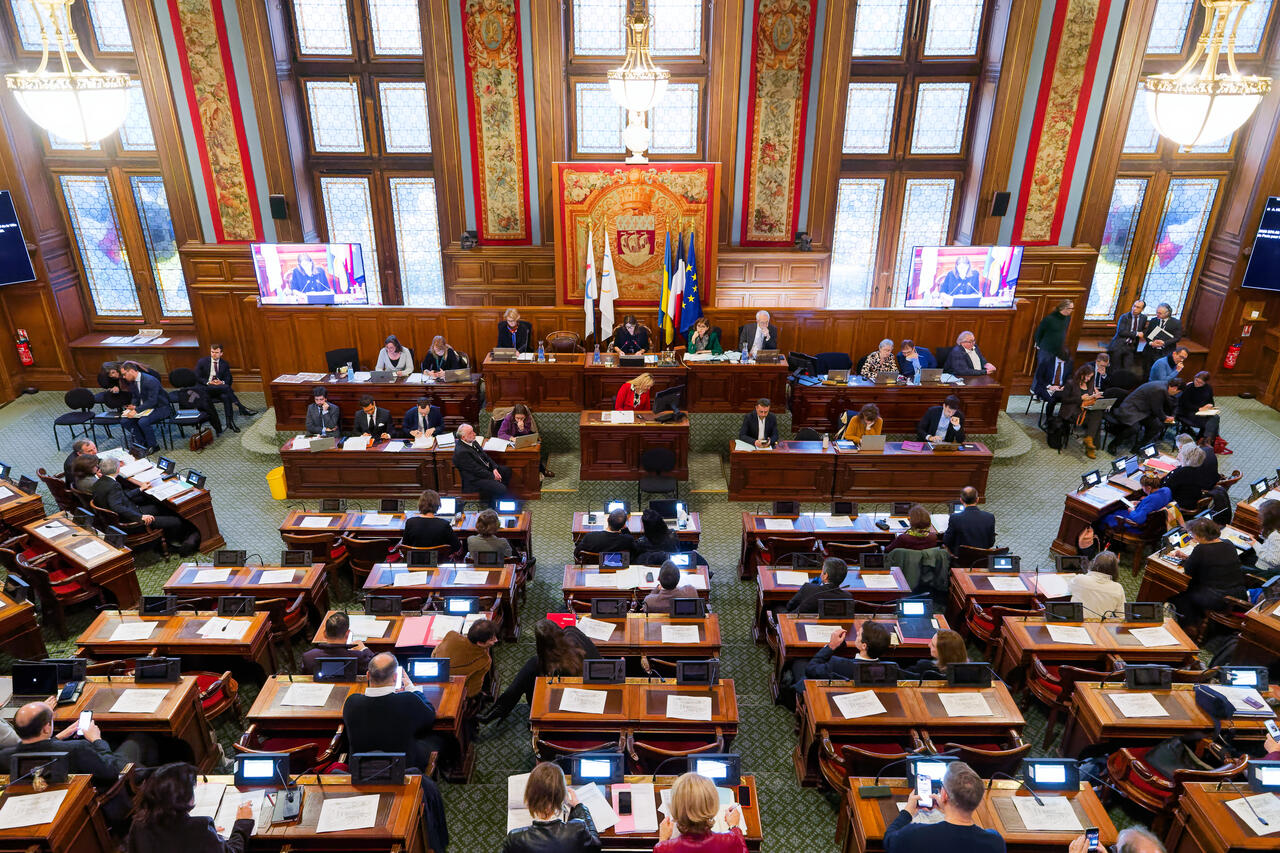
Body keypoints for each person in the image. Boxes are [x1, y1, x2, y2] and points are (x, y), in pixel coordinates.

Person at [0, 700, 153, 789]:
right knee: (139, 738)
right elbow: (111, 772)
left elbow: (38, 750)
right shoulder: (77, 748)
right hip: (101, 795)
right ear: (46, 728)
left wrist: (58, 737)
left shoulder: (4, 757)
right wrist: (97, 740)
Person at [480, 619, 599, 723]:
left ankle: (500, 708)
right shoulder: (572, 632)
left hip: (573, 702)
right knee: (532, 668)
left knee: (530, 671)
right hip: (598, 688)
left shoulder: (553, 667)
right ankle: (501, 708)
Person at [125, 761, 255, 853]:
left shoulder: (138, 825)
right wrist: (242, 822)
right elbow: (234, 851)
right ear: (184, 798)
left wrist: (212, 837)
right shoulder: (201, 829)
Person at [341, 652, 441, 771]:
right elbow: (430, 715)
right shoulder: (408, 700)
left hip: (361, 771)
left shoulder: (351, 702)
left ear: (368, 675)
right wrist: (411, 688)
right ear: (395, 677)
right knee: (437, 739)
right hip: (403, 770)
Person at [883, 761, 1005, 853]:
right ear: (978, 799)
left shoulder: (915, 834)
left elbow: (889, 840)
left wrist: (907, 812)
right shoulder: (995, 842)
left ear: (944, 795)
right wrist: (947, 809)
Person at [90, 456, 198, 554]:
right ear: (117, 469)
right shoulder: (113, 485)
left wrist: (140, 489)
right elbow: (117, 507)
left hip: (123, 515)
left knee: (159, 507)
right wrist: (140, 517)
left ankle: (174, 532)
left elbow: (121, 497)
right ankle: (172, 544)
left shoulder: (99, 482)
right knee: (176, 521)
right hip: (131, 521)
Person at [501, 761, 600, 853]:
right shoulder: (578, 828)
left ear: (529, 796)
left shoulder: (514, 838)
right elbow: (596, 845)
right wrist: (579, 806)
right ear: (562, 797)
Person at [1168, 517, 1247, 626]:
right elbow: (1214, 561)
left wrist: (1187, 560)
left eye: (1192, 535)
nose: (1192, 538)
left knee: (1179, 596)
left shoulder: (1201, 549)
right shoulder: (1228, 543)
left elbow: (1189, 572)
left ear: (1200, 536)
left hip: (1217, 598)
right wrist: (1188, 557)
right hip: (1238, 594)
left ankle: (1189, 627)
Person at [655, 771, 746, 853]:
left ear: (675, 808)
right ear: (713, 806)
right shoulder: (731, 840)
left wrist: (663, 839)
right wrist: (734, 826)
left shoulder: (663, 848)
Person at [1106, 378, 1182, 454]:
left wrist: (1170, 416)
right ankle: (1113, 445)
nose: (1176, 394)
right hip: (1131, 409)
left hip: (1143, 411)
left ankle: (1138, 448)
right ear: (1175, 388)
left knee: (1157, 426)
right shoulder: (1160, 389)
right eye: (1178, 392)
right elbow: (1156, 408)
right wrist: (1165, 418)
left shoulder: (1165, 386)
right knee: (1134, 428)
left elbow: (1173, 404)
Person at [195, 344, 256, 434]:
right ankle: (241, 407)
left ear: (221, 353)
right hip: (206, 388)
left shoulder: (224, 364)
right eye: (212, 352)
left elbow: (228, 378)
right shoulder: (202, 362)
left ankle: (230, 422)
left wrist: (221, 382)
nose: (214, 354)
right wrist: (209, 382)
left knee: (226, 396)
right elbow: (197, 377)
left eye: (216, 352)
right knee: (227, 389)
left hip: (219, 388)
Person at [803, 621, 892, 680]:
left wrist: (831, 646)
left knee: (799, 663)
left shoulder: (837, 665)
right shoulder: (891, 670)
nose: (856, 633)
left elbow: (811, 669)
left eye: (859, 634)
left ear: (864, 646)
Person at [433, 618, 498, 698]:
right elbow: (473, 687)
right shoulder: (484, 660)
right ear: (480, 643)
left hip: (434, 679)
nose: (496, 640)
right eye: (492, 639)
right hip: (456, 690)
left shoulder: (451, 635)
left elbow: (434, 654)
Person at [453, 423, 511, 507]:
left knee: (506, 470)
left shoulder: (472, 440)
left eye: (473, 431)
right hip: (475, 479)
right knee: (502, 488)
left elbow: (485, 456)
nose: (474, 434)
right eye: (471, 433)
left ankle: (496, 498)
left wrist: (494, 468)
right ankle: (493, 505)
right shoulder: (462, 452)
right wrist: (493, 476)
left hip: (485, 469)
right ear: (463, 437)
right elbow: (476, 470)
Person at [119, 361, 171, 453]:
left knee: (143, 421)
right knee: (125, 421)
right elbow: (135, 397)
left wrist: (137, 410)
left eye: (124, 374)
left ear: (131, 371)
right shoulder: (132, 382)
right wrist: (133, 405)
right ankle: (142, 442)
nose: (123, 377)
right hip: (145, 408)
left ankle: (153, 445)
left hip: (160, 407)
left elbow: (152, 401)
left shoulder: (150, 381)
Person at [301, 611, 374, 675]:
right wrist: (364, 649)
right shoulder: (359, 657)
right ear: (347, 634)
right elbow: (377, 666)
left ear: (324, 634)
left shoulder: (308, 657)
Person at [1097, 474, 1171, 533]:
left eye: (1142, 487)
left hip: (1141, 526)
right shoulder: (1166, 490)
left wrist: (1132, 511)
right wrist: (1140, 503)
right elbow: (1154, 503)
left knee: (1106, 517)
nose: (1142, 488)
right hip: (1156, 522)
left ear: (1148, 488)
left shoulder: (1150, 500)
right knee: (1117, 511)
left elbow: (1139, 519)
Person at [496, 403, 553, 478]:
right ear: (514, 415)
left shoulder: (528, 418)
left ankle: (542, 470)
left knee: (534, 450)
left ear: (525, 416)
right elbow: (500, 433)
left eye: (522, 418)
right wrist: (511, 438)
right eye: (517, 418)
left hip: (521, 435)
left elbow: (527, 432)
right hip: (509, 438)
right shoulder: (508, 418)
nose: (519, 420)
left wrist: (521, 429)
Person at [1057, 364, 1102, 457]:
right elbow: (1064, 400)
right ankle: (1089, 446)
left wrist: (1093, 397)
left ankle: (1089, 440)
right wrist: (1080, 398)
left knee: (1098, 413)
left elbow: (1088, 398)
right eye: (1087, 376)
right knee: (1096, 421)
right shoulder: (1071, 383)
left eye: (1090, 377)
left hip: (1085, 409)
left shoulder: (1090, 385)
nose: (1088, 379)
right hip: (1072, 410)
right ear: (1081, 374)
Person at [1068, 551, 1126, 618]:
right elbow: (1122, 615)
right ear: (1115, 569)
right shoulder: (1118, 588)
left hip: (1075, 622)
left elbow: (1068, 590)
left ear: (1093, 564)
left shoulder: (1079, 579)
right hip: (1100, 624)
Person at [785, 557, 853, 613]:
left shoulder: (808, 588)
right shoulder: (848, 596)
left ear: (825, 575)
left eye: (822, 570)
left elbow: (789, 606)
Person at [1162, 446, 1216, 512]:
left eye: (1181, 452)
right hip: (1192, 500)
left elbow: (1165, 489)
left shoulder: (1180, 473)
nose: (1179, 453)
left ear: (1185, 458)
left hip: (1179, 506)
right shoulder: (1199, 470)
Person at [943, 486, 995, 551]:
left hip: (960, 556)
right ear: (977, 499)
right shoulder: (989, 517)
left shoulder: (955, 518)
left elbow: (947, 541)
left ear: (961, 500)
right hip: (982, 556)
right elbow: (991, 543)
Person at [1176, 370, 1220, 443]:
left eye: (1200, 383)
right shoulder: (1189, 387)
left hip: (1203, 411)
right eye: (1196, 380)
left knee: (1215, 417)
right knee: (1210, 423)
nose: (1197, 383)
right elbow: (1185, 403)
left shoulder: (1208, 388)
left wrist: (1210, 405)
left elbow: (1210, 401)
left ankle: (1203, 439)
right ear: (1194, 378)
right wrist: (1199, 408)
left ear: (1205, 383)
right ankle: (1205, 440)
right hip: (1188, 411)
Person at [904, 629, 968, 678]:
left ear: (942, 653)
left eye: (933, 645)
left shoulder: (925, 667)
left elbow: (901, 676)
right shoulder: (969, 672)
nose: (929, 645)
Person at [1142, 302, 1183, 375]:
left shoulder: (1176, 323)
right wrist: (1151, 343)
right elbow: (1147, 334)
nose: (1157, 314)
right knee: (1146, 372)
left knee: (1160, 373)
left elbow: (1177, 337)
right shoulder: (1153, 320)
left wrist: (1164, 343)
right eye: (1157, 312)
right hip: (1150, 351)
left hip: (1165, 352)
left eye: (1160, 313)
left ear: (1167, 313)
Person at [1109, 299, 1148, 372]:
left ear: (1142, 309)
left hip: (1131, 347)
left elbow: (1142, 330)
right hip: (1119, 346)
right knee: (1116, 370)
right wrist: (1136, 334)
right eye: (1134, 306)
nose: (1134, 309)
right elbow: (1121, 332)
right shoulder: (1124, 317)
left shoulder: (1143, 318)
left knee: (1128, 371)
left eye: (1138, 307)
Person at [1034, 300, 1073, 369]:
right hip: (1046, 350)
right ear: (1064, 308)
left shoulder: (1068, 318)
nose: (1072, 310)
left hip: (1058, 350)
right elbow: (1038, 333)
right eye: (1071, 308)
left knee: (1052, 371)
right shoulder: (1049, 319)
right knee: (1041, 371)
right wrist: (1040, 345)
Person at [1252, 499, 1280, 577]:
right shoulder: (1275, 529)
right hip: (1263, 561)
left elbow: (1275, 561)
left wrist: (1255, 544)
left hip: (1263, 569)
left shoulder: (1275, 536)